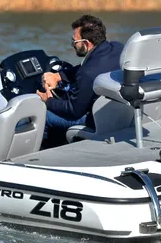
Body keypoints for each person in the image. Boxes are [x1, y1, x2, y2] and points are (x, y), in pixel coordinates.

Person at [36, 15, 123, 147]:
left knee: (45, 116)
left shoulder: (87, 73)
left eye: (75, 42)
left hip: (96, 120)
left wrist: (48, 100)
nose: (73, 45)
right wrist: (59, 76)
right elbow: (87, 68)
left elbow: (73, 111)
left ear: (87, 43)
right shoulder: (117, 48)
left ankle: (39, 157)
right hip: (120, 113)